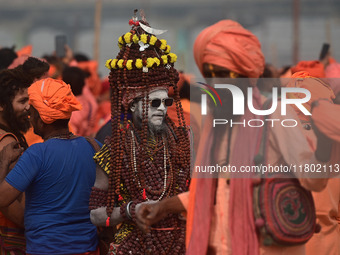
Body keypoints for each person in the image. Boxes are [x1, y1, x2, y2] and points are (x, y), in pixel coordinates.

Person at [136, 20, 332, 255]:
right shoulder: (219, 123)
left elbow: (313, 179)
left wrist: (327, 139)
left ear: (245, 75)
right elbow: (216, 190)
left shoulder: (275, 113)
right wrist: (164, 207)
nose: (215, 84)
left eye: (222, 74)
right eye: (209, 75)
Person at [89, 12, 191, 254]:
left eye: (166, 103)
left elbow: (197, 194)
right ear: (132, 104)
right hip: (134, 244)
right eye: (154, 103)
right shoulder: (114, 149)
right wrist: (130, 210)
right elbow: (95, 215)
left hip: (180, 243)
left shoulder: (184, 140)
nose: (162, 110)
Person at [0, 78, 100, 255]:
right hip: (88, 248)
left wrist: (4, 161)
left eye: (32, 113)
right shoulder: (94, 146)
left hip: (46, 249)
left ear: (41, 119)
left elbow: (2, 199)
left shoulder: (37, 154)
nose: (29, 118)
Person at [0, 57, 49, 254]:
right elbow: (9, 203)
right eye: (22, 101)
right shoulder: (7, 142)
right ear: (1, 106)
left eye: (29, 100)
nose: (29, 107)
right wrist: (33, 227)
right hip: (13, 237)